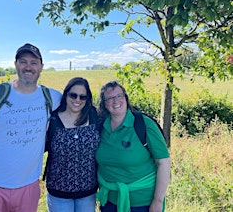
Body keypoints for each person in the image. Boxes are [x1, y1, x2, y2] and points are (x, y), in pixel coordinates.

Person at [0, 43, 62, 212]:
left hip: (29, 186)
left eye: (34, 63)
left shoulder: (52, 97)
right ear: (16, 64)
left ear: (41, 67)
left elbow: (78, 109)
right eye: (23, 61)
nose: (28, 67)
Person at [96, 81, 171, 212]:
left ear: (125, 98)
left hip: (142, 204)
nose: (116, 101)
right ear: (104, 104)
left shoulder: (144, 124)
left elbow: (163, 162)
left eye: (119, 96)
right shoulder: (100, 127)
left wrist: (158, 201)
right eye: (110, 98)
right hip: (109, 202)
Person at [44, 77, 100, 212]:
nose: (77, 100)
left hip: (88, 191)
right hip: (58, 191)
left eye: (83, 97)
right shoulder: (52, 119)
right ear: (66, 94)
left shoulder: (94, 116)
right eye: (73, 95)